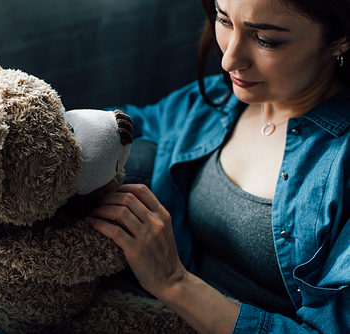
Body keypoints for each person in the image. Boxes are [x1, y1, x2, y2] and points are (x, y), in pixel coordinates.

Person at [88, 0, 350, 333]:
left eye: (265, 39)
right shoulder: (213, 103)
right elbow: (110, 128)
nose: (228, 59)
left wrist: (173, 282)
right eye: (224, 21)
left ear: (340, 36)